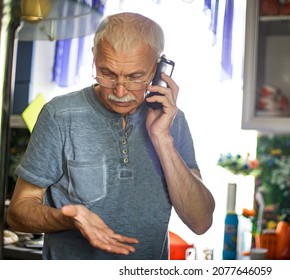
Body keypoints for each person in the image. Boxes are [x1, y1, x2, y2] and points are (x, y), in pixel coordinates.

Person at [7, 12, 215, 260]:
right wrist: (68, 219)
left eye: (135, 77)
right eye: (107, 73)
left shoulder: (172, 121)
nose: (119, 90)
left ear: (158, 69)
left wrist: (163, 140)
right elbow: (18, 213)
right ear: (94, 57)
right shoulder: (59, 115)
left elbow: (201, 222)